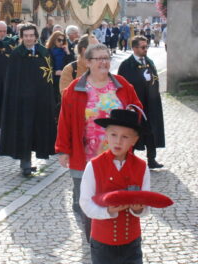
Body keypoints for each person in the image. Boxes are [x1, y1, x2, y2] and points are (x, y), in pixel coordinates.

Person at [56, 43, 142, 219]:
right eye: (99, 58)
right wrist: (63, 150)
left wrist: (132, 118)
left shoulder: (123, 85)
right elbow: (64, 122)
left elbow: (138, 109)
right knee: (86, 205)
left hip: (116, 155)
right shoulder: (74, 89)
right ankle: (92, 241)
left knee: (115, 202)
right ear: (87, 62)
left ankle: (112, 240)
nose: (104, 62)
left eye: (107, 58)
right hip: (85, 156)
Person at [79, 108, 151, 264]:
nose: (118, 141)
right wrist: (107, 211)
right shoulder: (94, 166)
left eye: (125, 137)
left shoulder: (141, 167)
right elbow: (85, 203)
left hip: (131, 242)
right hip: (102, 243)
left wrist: (138, 208)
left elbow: (146, 202)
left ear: (134, 140)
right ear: (106, 135)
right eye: (114, 135)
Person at [0, 24, 57, 177]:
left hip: (40, 100)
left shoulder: (44, 52)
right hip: (22, 102)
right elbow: (11, 79)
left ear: (36, 37)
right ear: (22, 37)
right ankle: (25, 164)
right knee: (24, 130)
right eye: (26, 36)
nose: (29, 38)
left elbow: (48, 77)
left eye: (31, 35)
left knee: (38, 129)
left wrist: (48, 96)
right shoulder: (17, 54)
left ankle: (38, 156)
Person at [117, 36, 165, 169]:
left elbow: (155, 80)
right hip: (134, 104)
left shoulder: (149, 62)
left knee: (151, 131)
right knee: (132, 131)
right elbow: (122, 85)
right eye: (143, 47)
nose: (146, 50)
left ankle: (152, 159)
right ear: (134, 48)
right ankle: (128, 159)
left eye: (147, 47)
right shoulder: (127, 65)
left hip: (150, 104)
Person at [46, 30, 71, 102]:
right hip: (52, 80)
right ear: (54, 40)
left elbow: (72, 64)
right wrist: (54, 72)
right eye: (59, 40)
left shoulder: (65, 51)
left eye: (63, 40)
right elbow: (44, 67)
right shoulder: (48, 51)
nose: (61, 42)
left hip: (64, 79)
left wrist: (68, 52)